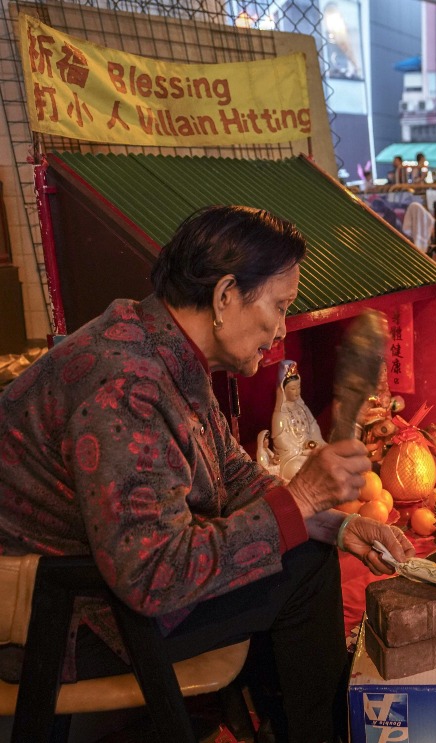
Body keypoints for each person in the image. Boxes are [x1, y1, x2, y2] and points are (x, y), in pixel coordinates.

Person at [0, 205, 415, 742]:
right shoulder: (127, 386)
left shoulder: (159, 343)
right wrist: (304, 497)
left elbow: (234, 478)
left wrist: (333, 523)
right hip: (60, 622)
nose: (282, 329)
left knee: (308, 552)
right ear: (224, 297)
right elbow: (153, 578)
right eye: (280, 306)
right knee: (306, 572)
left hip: (98, 590)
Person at [260, 359, 326, 481]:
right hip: (293, 457)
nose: (297, 392)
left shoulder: (303, 408)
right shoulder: (279, 415)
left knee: (327, 455)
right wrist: (302, 451)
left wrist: (316, 444)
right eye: (292, 389)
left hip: (310, 450)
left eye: (298, 387)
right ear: (283, 390)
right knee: (298, 467)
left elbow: (314, 428)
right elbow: (282, 441)